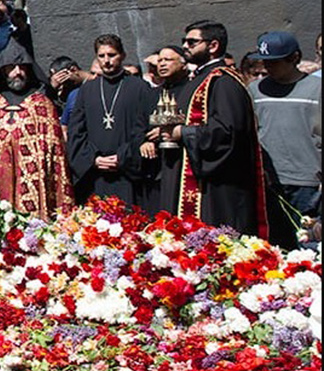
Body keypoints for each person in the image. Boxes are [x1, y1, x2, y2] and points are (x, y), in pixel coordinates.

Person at [158, 21, 272, 239]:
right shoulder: (198, 79)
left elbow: (228, 133)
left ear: (213, 46)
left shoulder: (224, 82)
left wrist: (182, 133)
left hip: (216, 188)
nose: (185, 46)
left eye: (192, 41)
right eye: (184, 41)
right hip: (190, 173)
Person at [0, 43, 72, 218]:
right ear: (2, 70)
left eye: (22, 67)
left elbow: (55, 155)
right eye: (11, 67)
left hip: (33, 186)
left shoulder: (41, 103)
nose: (17, 72)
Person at [246, 31, 320, 243]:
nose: (268, 67)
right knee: (275, 246)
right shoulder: (255, 90)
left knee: (308, 246)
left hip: (308, 182)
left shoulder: (316, 89)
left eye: (275, 62)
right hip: (269, 180)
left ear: (294, 58)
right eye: (264, 62)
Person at [66, 34, 151, 207]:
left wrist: (123, 156)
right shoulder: (87, 90)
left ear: (123, 55)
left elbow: (144, 128)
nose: (106, 61)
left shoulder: (139, 87)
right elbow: (76, 131)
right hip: (95, 174)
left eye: (111, 55)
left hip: (127, 173)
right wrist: (92, 158)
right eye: (101, 56)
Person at [136, 45, 192, 217]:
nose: (162, 64)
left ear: (183, 64)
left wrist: (168, 131)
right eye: (159, 60)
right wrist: (145, 141)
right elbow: (137, 126)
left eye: (167, 60)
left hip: (186, 164)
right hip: (157, 168)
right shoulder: (151, 94)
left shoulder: (193, 91)